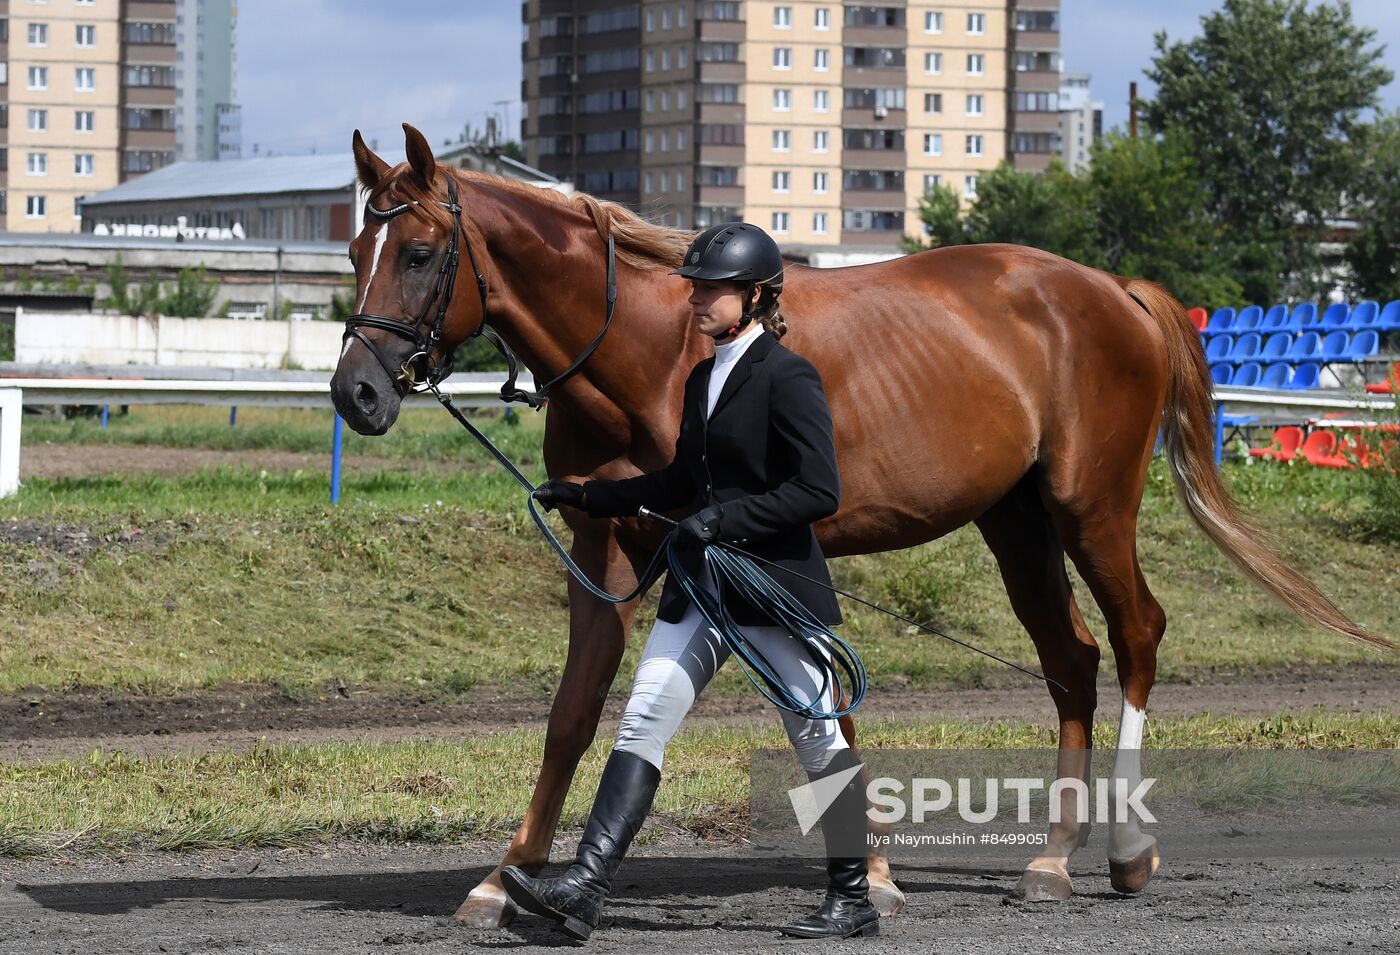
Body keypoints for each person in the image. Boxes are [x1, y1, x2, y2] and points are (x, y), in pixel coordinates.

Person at [499, 223, 878, 942]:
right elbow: (682, 479)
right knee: (644, 717)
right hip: (703, 586)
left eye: (712, 288)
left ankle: (853, 894)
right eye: (696, 285)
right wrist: (590, 495)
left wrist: (726, 518)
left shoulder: (789, 376)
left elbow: (819, 490)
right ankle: (586, 885)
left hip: (770, 587)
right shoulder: (704, 376)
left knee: (818, 737)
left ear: (756, 296)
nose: (697, 298)